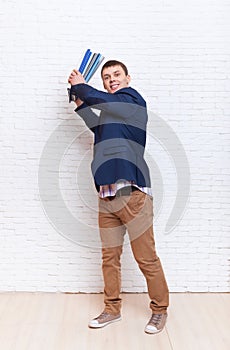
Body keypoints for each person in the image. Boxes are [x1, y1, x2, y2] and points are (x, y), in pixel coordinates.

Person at [68, 60, 169, 334]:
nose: (112, 79)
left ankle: (159, 310)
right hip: (107, 196)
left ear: (127, 78)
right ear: (103, 83)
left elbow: (101, 100)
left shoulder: (132, 101)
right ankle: (111, 309)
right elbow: (95, 124)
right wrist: (78, 98)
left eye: (116, 75)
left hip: (134, 195)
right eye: (107, 77)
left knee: (146, 258)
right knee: (109, 257)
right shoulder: (110, 113)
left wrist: (82, 87)